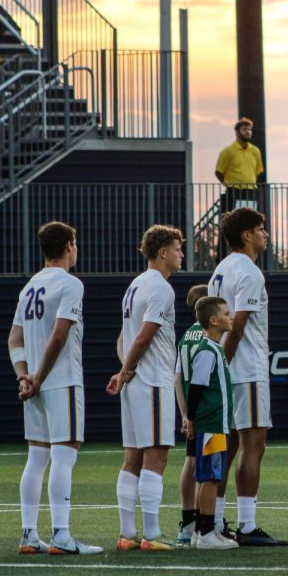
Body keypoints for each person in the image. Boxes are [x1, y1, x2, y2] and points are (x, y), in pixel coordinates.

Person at [8, 221, 103, 556]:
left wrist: (25, 376)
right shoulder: (70, 284)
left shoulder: (30, 286)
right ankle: (62, 535)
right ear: (69, 245)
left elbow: (14, 339)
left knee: (36, 457)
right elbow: (60, 336)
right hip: (60, 381)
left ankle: (29, 535)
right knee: (64, 454)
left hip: (33, 386)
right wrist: (40, 377)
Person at [209, 207, 286, 546]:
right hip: (246, 370)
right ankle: (247, 525)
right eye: (260, 228)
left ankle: (213, 520)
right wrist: (223, 367)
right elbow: (237, 326)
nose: (265, 234)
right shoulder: (250, 272)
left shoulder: (220, 270)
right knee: (253, 446)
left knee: (225, 448)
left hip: (227, 367)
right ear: (246, 235)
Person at [106, 225, 184, 551]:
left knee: (132, 457)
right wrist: (127, 371)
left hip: (136, 382)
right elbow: (143, 336)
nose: (182, 254)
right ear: (162, 251)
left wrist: (124, 372)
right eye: (178, 249)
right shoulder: (161, 289)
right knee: (157, 456)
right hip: (152, 381)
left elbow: (123, 338)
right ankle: (151, 534)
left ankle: (127, 534)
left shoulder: (134, 286)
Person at [186, 296, 241, 549]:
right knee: (210, 477)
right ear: (213, 320)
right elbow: (196, 388)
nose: (231, 317)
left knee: (208, 476)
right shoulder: (207, 351)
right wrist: (191, 419)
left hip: (215, 424)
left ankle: (201, 530)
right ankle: (206, 532)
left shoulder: (215, 349)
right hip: (211, 425)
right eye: (226, 313)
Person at [173, 284, 209, 546]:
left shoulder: (186, 337)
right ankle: (207, 523)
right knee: (208, 468)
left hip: (191, 411)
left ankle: (187, 522)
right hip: (207, 412)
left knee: (190, 462)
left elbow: (178, 378)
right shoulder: (209, 337)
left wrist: (184, 414)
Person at [215, 117, 265, 189]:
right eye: (244, 129)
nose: (248, 132)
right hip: (234, 192)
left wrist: (251, 185)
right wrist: (229, 186)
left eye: (249, 129)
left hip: (250, 192)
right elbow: (219, 172)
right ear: (237, 132)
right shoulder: (227, 151)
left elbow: (258, 171)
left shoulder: (256, 151)